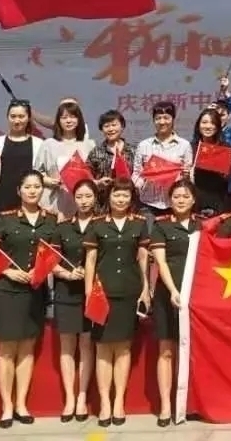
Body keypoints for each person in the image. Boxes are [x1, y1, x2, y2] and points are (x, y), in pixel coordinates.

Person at [0, 170, 58, 428]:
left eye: (37, 186)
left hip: (35, 290)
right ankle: (6, 406)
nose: (32, 191)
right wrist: (8, 271)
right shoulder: (6, 219)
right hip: (7, 290)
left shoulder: (51, 219)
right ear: (19, 191)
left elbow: (54, 254)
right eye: (27, 187)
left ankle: (21, 404)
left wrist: (41, 270)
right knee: (7, 349)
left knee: (27, 348)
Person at [83, 178, 151, 428]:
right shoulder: (97, 224)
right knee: (102, 348)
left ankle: (119, 401)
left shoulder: (139, 224)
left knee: (123, 348)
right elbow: (90, 261)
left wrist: (146, 289)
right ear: (108, 197)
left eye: (125, 195)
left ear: (131, 198)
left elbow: (143, 258)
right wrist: (89, 293)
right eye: (116, 195)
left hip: (129, 291)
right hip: (103, 292)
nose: (121, 200)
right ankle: (104, 403)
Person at [149, 179, 202, 428]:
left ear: (193, 200)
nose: (181, 200)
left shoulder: (202, 225)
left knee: (191, 351)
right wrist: (173, 290)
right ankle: (165, 406)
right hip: (168, 295)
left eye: (185, 196)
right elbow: (160, 262)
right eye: (176, 196)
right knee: (166, 350)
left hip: (195, 297)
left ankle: (189, 403)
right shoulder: (161, 226)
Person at [52, 179, 97, 422]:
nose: (84, 201)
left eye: (88, 196)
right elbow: (50, 261)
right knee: (67, 347)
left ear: (95, 198)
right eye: (79, 196)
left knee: (87, 345)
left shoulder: (102, 225)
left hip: (92, 294)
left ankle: (82, 396)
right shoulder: (62, 228)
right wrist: (67, 274)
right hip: (66, 292)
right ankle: (69, 397)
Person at [0, 100, 46, 257]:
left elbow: (41, 173)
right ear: (7, 117)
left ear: (28, 118)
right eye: (13, 116)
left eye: (21, 116)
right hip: (0, 197)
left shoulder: (39, 144)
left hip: (28, 198)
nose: (17, 120)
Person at [132, 101, 193, 221]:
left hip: (175, 204)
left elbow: (190, 177)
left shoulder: (184, 145)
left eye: (166, 118)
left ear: (173, 119)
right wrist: (140, 183)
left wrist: (187, 175)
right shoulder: (143, 145)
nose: (162, 122)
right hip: (148, 203)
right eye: (158, 118)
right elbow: (136, 173)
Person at [39, 101, 97, 218]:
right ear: (58, 121)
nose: (68, 121)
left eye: (72, 117)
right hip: (53, 203)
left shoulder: (89, 145)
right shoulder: (48, 144)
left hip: (82, 204)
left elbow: (94, 174)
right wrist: (50, 181)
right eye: (64, 117)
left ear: (79, 120)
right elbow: (37, 173)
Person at [188, 107, 231, 216]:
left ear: (218, 126)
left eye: (212, 123)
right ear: (198, 125)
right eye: (204, 122)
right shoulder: (191, 147)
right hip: (195, 201)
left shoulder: (225, 148)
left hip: (219, 201)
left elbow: (227, 177)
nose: (208, 126)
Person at [87, 110, 136, 205]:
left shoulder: (133, 150)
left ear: (122, 126)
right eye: (106, 126)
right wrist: (97, 183)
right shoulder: (96, 152)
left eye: (114, 125)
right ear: (101, 129)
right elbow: (86, 176)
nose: (110, 129)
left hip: (128, 202)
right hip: (103, 203)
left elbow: (140, 175)